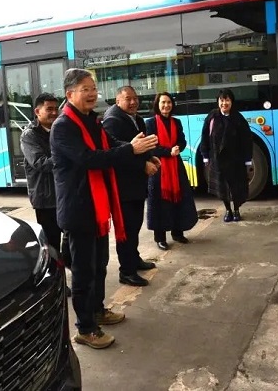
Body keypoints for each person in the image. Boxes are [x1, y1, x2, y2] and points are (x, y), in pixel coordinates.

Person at [51, 68, 159, 349]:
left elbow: (112, 145)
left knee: (99, 265)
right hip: (78, 209)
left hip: (97, 208)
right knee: (84, 272)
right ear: (70, 94)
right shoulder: (64, 126)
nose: (92, 94)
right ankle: (85, 328)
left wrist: (142, 153)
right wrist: (131, 150)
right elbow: (88, 159)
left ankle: (97, 311)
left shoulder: (92, 121)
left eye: (93, 88)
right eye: (85, 89)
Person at [102, 86, 158, 287]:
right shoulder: (113, 120)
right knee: (126, 230)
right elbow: (117, 154)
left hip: (136, 184)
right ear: (118, 101)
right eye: (128, 99)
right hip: (123, 187)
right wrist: (142, 165)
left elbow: (141, 146)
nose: (133, 102)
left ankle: (134, 259)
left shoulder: (137, 118)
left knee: (134, 226)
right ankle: (126, 271)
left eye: (135, 98)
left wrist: (150, 157)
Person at [145, 92, 198, 250]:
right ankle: (160, 238)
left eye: (169, 102)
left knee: (178, 199)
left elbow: (182, 141)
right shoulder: (150, 123)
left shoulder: (177, 122)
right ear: (157, 104)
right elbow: (150, 147)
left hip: (176, 166)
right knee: (159, 203)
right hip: (158, 167)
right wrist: (168, 151)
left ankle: (177, 232)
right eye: (163, 102)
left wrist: (178, 148)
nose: (166, 105)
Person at [20, 92, 69, 263]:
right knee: (52, 244)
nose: (54, 113)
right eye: (49, 109)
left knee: (70, 237)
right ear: (37, 111)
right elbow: (40, 163)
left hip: (63, 194)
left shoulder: (60, 130)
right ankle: (57, 276)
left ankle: (68, 266)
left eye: (56, 109)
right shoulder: (30, 135)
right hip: (45, 198)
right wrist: (69, 157)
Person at [199, 89, 253, 222]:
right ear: (218, 102)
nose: (224, 103)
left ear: (231, 102)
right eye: (222, 100)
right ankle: (228, 210)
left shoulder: (238, 118)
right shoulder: (212, 116)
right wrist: (205, 155)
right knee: (222, 188)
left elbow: (246, 139)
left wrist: (247, 159)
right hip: (218, 160)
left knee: (236, 188)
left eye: (227, 100)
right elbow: (204, 136)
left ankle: (236, 210)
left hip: (236, 160)